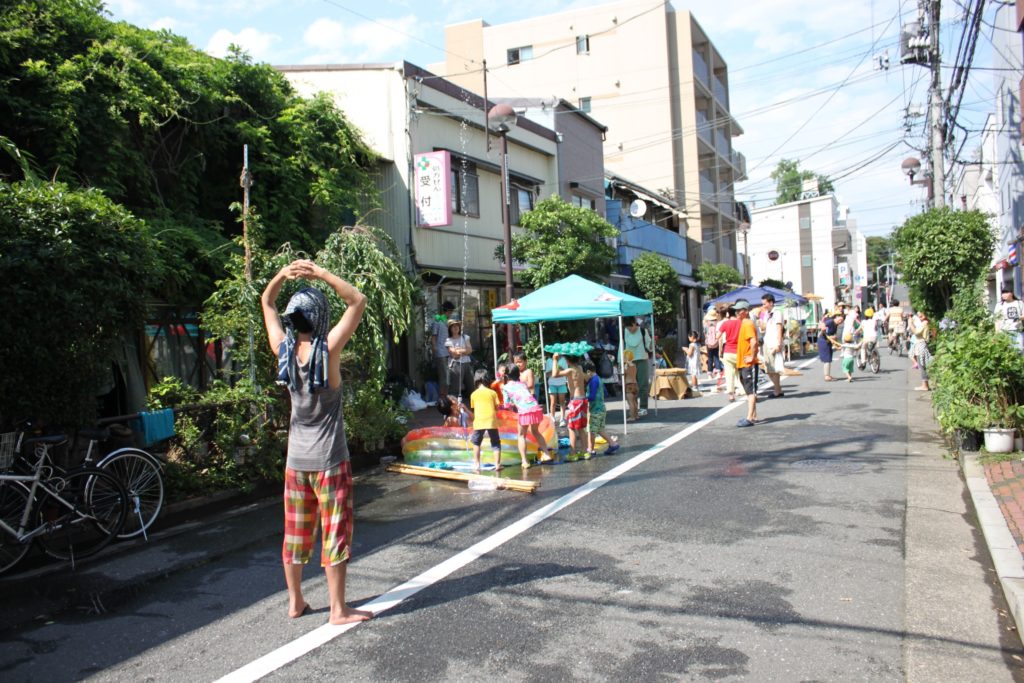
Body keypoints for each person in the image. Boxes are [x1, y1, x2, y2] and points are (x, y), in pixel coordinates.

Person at [260, 258, 371, 626]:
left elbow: (267, 303)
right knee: (334, 532)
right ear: (321, 317)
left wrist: (281, 276)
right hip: (329, 460)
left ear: (294, 319)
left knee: (295, 533)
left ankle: (296, 602)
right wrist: (320, 273)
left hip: (296, 463)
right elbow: (357, 301)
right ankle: (338, 610)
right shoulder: (329, 351)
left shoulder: (283, 352)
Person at [501, 363, 554, 467]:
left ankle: (525, 461)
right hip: (535, 408)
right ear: (518, 375)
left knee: (521, 435)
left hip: (524, 412)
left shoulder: (506, 387)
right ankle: (547, 454)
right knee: (536, 432)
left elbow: (507, 405)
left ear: (506, 376)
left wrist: (510, 405)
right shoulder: (522, 384)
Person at [550, 352, 589, 460]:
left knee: (571, 427)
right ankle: (584, 451)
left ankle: (573, 453)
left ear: (568, 360)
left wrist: (554, 360)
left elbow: (554, 374)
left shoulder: (570, 370)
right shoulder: (579, 368)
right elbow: (586, 378)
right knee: (581, 427)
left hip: (575, 402)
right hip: (582, 400)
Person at [583, 359, 620, 458]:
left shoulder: (593, 381)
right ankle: (613, 444)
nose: (583, 378)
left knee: (591, 430)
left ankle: (591, 449)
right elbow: (605, 393)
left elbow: (592, 396)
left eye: (584, 375)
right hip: (601, 408)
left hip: (596, 410)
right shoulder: (598, 379)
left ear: (588, 372)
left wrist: (583, 399)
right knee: (600, 429)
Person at [469, 369, 501, 472]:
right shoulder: (492, 393)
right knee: (495, 442)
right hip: (491, 421)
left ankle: (477, 464)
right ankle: (497, 465)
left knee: (476, 442)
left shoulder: (473, 394)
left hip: (479, 421)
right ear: (487, 379)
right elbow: (497, 408)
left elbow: (474, 408)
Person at [734, 300, 759, 427]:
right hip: (743, 363)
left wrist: (752, 357)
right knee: (749, 390)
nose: (737, 312)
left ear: (746, 311)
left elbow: (754, 342)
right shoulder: (744, 323)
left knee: (750, 391)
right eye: (736, 310)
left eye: (739, 310)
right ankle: (753, 416)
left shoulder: (748, 323)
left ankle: (750, 417)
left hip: (748, 363)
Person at [623, 317, 653, 417]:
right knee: (631, 385)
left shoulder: (643, 331)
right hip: (629, 361)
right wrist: (621, 361)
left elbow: (649, 345)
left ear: (635, 323)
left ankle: (643, 407)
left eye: (630, 326)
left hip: (642, 359)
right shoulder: (624, 332)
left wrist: (652, 346)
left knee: (643, 384)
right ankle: (634, 407)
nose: (630, 329)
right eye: (627, 327)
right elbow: (621, 346)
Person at [717, 305, 745, 401]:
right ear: (736, 313)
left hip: (728, 351)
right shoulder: (741, 323)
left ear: (728, 313)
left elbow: (717, 336)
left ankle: (731, 395)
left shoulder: (725, 323)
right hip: (739, 351)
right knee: (742, 372)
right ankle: (747, 391)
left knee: (729, 374)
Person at [760, 293, 785, 398]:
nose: (763, 305)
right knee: (769, 368)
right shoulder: (766, 313)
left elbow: (779, 328)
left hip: (774, 342)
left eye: (765, 303)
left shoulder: (777, 312)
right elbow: (764, 327)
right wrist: (760, 319)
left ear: (771, 302)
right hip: (767, 341)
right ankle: (778, 389)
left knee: (773, 368)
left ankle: (777, 390)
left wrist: (778, 343)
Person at [429, 301, 455, 397]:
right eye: (450, 312)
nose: (451, 314)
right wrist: (434, 348)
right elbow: (433, 336)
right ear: (447, 311)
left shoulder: (447, 322)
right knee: (444, 375)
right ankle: (443, 397)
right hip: (440, 352)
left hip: (448, 351)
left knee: (447, 374)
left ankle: (446, 396)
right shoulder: (437, 321)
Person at [444, 318, 474, 401]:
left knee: (471, 385)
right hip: (455, 364)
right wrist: (464, 351)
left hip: (467, 363)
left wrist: (459, 350)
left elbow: (470, 350)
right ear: (450, 329)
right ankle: (453, 405)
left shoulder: (465, 337)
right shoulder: (448, 340)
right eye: (453, 326)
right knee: (455, 388)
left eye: (457, 325)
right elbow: (454, 354)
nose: (455, 327)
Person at [909, 310, 932, 391]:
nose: (919, 317)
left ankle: (925, 385)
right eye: (918, 315)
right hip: (920, 344)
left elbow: (916, 332)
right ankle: (925, 385)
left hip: (921, 344)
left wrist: (910, 323)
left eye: (921, 315)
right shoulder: (924, 323)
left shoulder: (924, 323)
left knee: (922, 365)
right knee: (922, 364)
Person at [545, 353, 569, 425]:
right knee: (553, 402)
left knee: (562, 401)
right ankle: (552, 417)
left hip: (562, 383)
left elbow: (566, 372)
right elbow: (547, 374)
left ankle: (562, 418)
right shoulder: (549, 360)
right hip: (552, 384)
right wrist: (555, 371)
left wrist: (558, 370)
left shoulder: (563, 360)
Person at [818, 310, 839, 381]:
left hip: (828, 341)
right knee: (827, 359)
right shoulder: (830, 322)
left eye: (842, 320)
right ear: (835, 317)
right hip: (823, 341)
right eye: (840, 319)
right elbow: (822, 325)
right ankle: (826, 376)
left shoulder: (836, 325)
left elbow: (833, 334)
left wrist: (834, 340)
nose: (840, 321)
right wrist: (823, 329)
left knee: (829, 358)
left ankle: (828, 375)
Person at [703, 309, 723, 381]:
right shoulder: (717, 323)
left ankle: (709, 374)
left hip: (708, 344)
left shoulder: (706, 324)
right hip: (716, 342)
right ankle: (718, 372)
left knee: (710, 358)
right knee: (716, 357)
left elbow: (705, 334)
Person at [623, 350, 640, 421]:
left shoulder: (626, 366)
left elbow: (624, 376)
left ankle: (632, 417)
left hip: (629, 385)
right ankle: (636, 415)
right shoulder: (634, 365)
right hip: (635, 384)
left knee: (630, 402)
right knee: (635, 401)